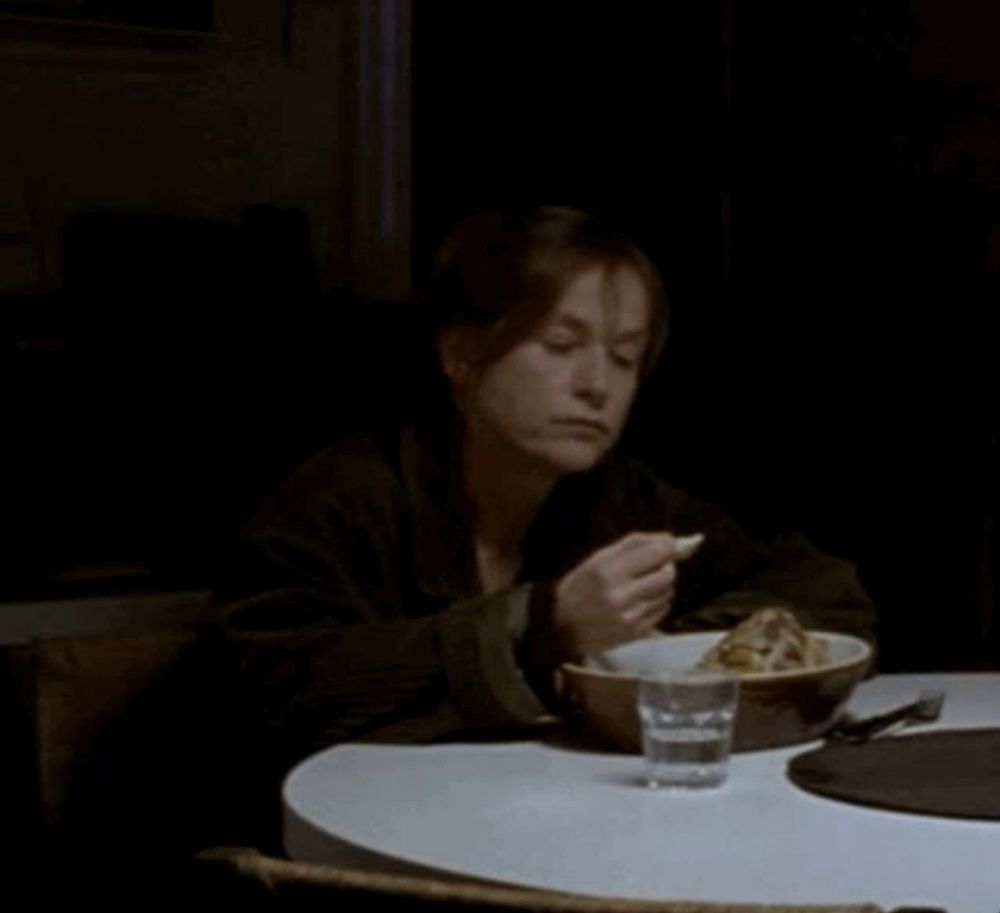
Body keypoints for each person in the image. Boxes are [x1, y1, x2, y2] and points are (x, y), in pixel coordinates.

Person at [210, 205, 877, 843]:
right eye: (561, 345)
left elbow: (825, 589)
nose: (597, 385)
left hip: (532, 836)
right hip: (317, 862)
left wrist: (661, 652)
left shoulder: (617, 500)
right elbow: (263, 688)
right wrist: (545, 626)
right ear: (464, 356)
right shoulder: (345, 496)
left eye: (624, 357)